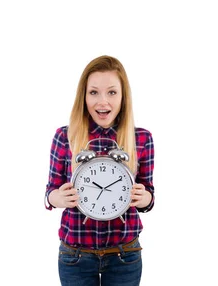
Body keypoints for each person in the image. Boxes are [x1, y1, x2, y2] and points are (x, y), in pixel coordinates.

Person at [44, 55, 155, 285]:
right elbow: (50, 194)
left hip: (125, 254)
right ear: (83, 96)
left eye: (112, 92)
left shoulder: (141, 139)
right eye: (94, 92)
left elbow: (150, 197)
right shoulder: (65, 137)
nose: (102, 101)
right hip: (75, 255)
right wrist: (59, 197)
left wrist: (143, 197)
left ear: (123, 96)